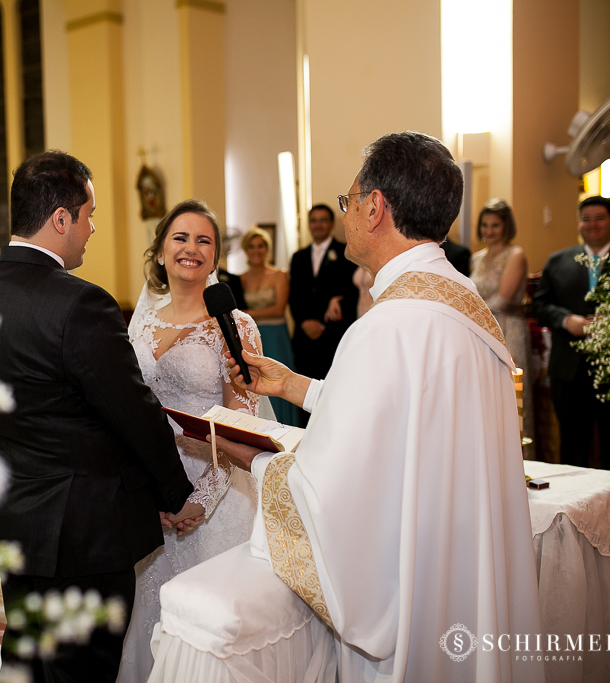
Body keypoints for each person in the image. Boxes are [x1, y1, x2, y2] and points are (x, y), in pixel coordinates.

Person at [149, 132, 543, 683]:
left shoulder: (385, 326)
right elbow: (395, 413)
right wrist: (293, 386)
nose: (348, 212)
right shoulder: (464, 307)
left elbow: (332, 492)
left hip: (414, 593)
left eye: (349, 200)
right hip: (461, 565)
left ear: (375, 207)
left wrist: (252, 459)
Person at [0, 151, 194, 683]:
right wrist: (174, 494)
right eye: (88, 215)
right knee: (82, 672)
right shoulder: (80, 304)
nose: (92, 229)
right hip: (85, 532)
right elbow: (132, 412)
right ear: (60, 219)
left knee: (24, 662)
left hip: (16, 516)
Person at [117, 200, 262, 682]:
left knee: (207, 627)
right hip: (153, 488)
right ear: (160, 251)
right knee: (152, 611)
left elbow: (241, 425)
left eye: (204, 241)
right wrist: (153, 490)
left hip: (215, 489)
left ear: (215, 256)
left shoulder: (234, 326)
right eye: (180, 238)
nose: (191, 249)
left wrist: (197, 500)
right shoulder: (141, 322)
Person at [533, 196, 610, 475]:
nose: (592, 225)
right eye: (586, 219)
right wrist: (567, 320)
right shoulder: (559, 260)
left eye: (599, 218)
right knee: (573, 447)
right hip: (569, 370)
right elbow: (539, 306)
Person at [470, 199, 533, 454]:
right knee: (485, 396)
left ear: (506, 226)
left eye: (495, 225)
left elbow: (502, 299)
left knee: (512, 397)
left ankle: (521, 460)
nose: (489, 231)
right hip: (479, 329)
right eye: (484, 225)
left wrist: (468, 315)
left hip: (508, 329)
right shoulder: (476, 258)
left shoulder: (515, 254)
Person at [288, 203, 357, 425]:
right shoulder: (298, 257)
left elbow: (353, 292)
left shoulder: (347, 253)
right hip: (305, 339)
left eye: (323, 220)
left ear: (332, 224)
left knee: (331, 393)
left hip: (332, 337)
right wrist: (304, 321)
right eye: (314, 220)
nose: (318, 225)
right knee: (302, 393)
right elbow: (294, 295)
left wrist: (326, 319)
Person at [239, 226, 299, 426]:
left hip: (274, 334)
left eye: (261, 246)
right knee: (256, 381)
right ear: (246, 250)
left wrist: (245, 314)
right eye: (252, 246)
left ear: (268, 249)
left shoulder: (279, 275)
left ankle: (285, 426)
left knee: (277, 380)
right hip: (251, 335)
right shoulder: (241, 279)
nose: (257, 250)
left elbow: (278, 309)